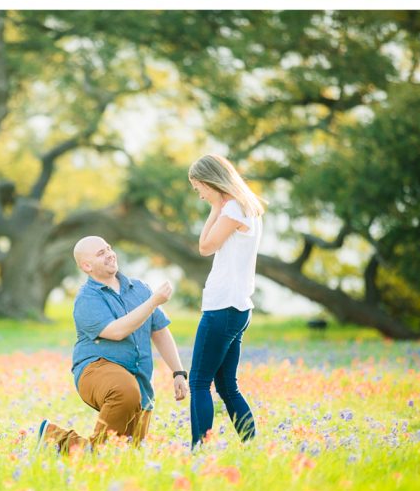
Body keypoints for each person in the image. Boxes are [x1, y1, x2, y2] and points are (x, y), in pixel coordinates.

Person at [36, 235, 188, 453]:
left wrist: (178, 372)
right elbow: (117, 331)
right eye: (101, 253)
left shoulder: (140, 289)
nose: (109, 254)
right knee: (124, 391)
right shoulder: (86, 299)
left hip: (140, 384)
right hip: (97, 370)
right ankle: (85, 451)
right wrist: (153, 302)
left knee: (123, 453)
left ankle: (55, 438)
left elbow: (160, 332)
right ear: (87, 266)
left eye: (108, 248)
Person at [187, 154, 264, 448]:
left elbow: (205, 246)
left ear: (210, 181)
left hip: (223, 306)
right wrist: (216, 205)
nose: (201, 195)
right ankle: (251, 445)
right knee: (227, 386)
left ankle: (199, 450)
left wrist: (215, 208)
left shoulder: (231, 208)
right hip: (238, 306)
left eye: (200, 188)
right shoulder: (249, 208)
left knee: (198, 382)